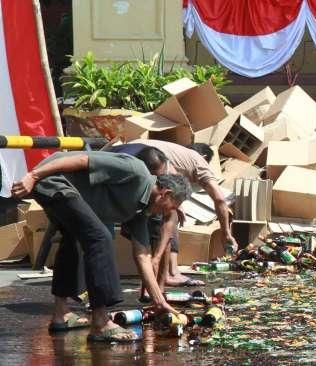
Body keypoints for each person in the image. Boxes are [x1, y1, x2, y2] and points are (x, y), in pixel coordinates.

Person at [11, 151, 192, 342]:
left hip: (64, 189)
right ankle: (101, 321)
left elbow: (142, 255)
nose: (167, 214)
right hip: (53, 180)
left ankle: (60, 315)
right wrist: (33, 176)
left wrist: (159, 300)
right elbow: (82, 160)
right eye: (171, 207)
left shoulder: (141, 211)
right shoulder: (136, 171)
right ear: (166, 194)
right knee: (100, 237)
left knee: (74, 239)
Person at [108, 140, 237, 287]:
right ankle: (167, 276)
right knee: (165, 220)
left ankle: (159, 279)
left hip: (122, 156)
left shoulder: (177, 155)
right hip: (137, 164)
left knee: (162, 219)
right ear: (204, 156)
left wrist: (177, 205)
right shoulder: (199, 163)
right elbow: (220, 200)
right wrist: (226, 233)